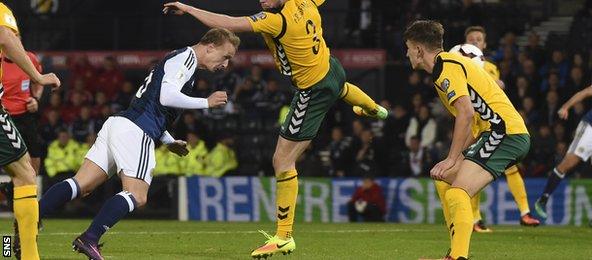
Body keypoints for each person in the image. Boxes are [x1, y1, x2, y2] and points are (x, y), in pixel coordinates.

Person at [163, 1, 388, 257]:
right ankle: (375, 109)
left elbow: (227, 22)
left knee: (282, 161)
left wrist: (190, 9)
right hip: (331, 69)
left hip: (312, 90)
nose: (262, 1)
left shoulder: (276, 20)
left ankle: (283, 236)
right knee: (343, 88)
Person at [35, 28, 238, 260]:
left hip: (121, 124)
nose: (226, 64)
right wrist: (206, 102)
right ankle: (89, 238)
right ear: (210, 46)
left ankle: (31, 217)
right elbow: (166, 97)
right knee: (137, 195)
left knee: (82, 184)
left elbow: (154, 104)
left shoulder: (180, 59)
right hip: (135, 131)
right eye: (226, 56)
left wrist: (168, 141)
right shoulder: (187, 58)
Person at [405, 20, 531, 259]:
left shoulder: (446, 66)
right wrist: (453, 161)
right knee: (445, 180)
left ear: (419, 49)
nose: (407, 52)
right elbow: (472, 125)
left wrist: (453, 157)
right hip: (498, 133)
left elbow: (466, 113)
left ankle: (457, 257)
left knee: (457, 192)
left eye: (409, 47)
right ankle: (455, 252)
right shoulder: (447, 67)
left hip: (505, 133)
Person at [463, 26, 540, 232]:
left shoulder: (489, 67)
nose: (475, 43)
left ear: (484, 44)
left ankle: (524, 212)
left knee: (510, 167)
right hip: (474, 125)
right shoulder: (460, 66)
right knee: (471, 168)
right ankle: (474, 219)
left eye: (479, 39)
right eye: (471, 39)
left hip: (493, 124)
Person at [0, 3, 61, 259]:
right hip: (5, 114)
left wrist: (36, 96)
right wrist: (40, 77)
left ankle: (14, 234)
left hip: (25, 119)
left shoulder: (29, 57)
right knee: (25, 174)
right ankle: (27, 254)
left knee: (29, 169)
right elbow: (5, 35)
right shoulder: (2, 13)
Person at [535, 63, 592, 228]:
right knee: (568, 164)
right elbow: (585, 92)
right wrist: (566, 107)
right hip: (591, 128)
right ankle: (543, 198)